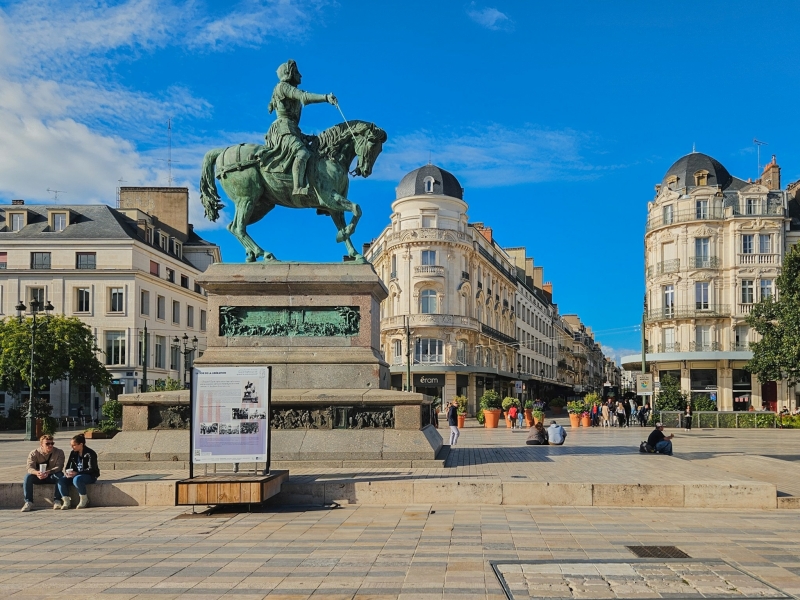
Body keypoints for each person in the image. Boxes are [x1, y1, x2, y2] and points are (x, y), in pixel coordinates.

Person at [258, 59, 337, 199]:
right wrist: (325, 97)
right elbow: (304, 97)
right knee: (302, 153)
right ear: (289, 74)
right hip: (283, 129)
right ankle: (297, 187)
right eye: (297, 72)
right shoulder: (283, 87)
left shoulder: (287, 88)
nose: (300, 76)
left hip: (292, 129)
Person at [22, 434, 65, 512]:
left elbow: (59, 467)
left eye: (52, 443)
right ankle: (28, 502)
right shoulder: (34, 453)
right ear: (41, 444)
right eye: (47, 444)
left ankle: (57, 500)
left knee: (60, 475)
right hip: (38, 476)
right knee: (27, 477)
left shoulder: (59, 452)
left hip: (51, 475)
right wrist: (37, 473)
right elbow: (29, 467)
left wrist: (49, 472)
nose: (50, 445)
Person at [57, 434, 100, 509]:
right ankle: (66, 501)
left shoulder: (90, 453)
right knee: (61, 480)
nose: (72, 447)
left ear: (81, 444)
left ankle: (84, 499)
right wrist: (68, 472)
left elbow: (92, 469)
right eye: (71, 445)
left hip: (89, 475)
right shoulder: (73, 453)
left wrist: (77, 473)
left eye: (74, 445)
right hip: (75, 475)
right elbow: (68, 466)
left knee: (77, 479)